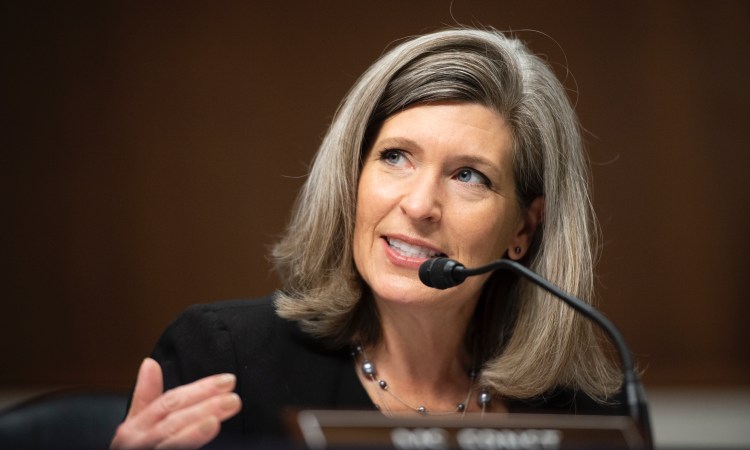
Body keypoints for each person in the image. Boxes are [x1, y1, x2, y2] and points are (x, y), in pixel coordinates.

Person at [110, 27, 625, 449]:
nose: (420, 205)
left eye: (469, 175)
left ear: (522, 229)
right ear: (352, 177)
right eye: (396, 156)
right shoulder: (228, 361)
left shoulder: (590, 413)